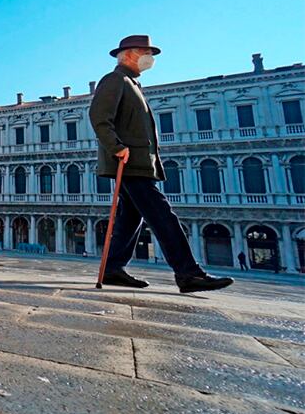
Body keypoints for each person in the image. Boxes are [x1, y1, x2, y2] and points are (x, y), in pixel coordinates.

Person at [89, 35, 233, 293]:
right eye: (147, 52)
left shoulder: (131, 83)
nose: (151, 58)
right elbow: (99, 117)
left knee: (131, 218)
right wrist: (117, 147)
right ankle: (188, 273)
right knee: (162, 216)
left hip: (139, 162)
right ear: (130, 54)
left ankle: (112, 268)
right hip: (130, 162)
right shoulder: (115, 80)